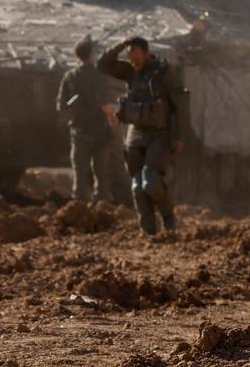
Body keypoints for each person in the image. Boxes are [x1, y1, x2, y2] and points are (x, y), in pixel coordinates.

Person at [98, 36, 189, 236]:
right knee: (138, 187)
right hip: (136, 132)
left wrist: (179, 136)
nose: (133, 61)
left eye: (136, 56)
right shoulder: (130, 72)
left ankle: (168, 218)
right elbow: (103, 64)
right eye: (129, 57)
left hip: (160, 132)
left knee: (151, 181)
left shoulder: (164, 73)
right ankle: (149, 232)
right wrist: (121, 45)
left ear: (146, 53)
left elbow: (181, 106)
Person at [56, 38, 126, 206]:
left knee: (80, 171)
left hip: (80, 130)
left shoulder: (70, 76)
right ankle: (102, 206)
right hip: (100, 131)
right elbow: (105, 104)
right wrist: (113, 120)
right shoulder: (100, 76)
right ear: (92, 55)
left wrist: (75, 114)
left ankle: (79, 207)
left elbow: (61, 106)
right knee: (101, 172)